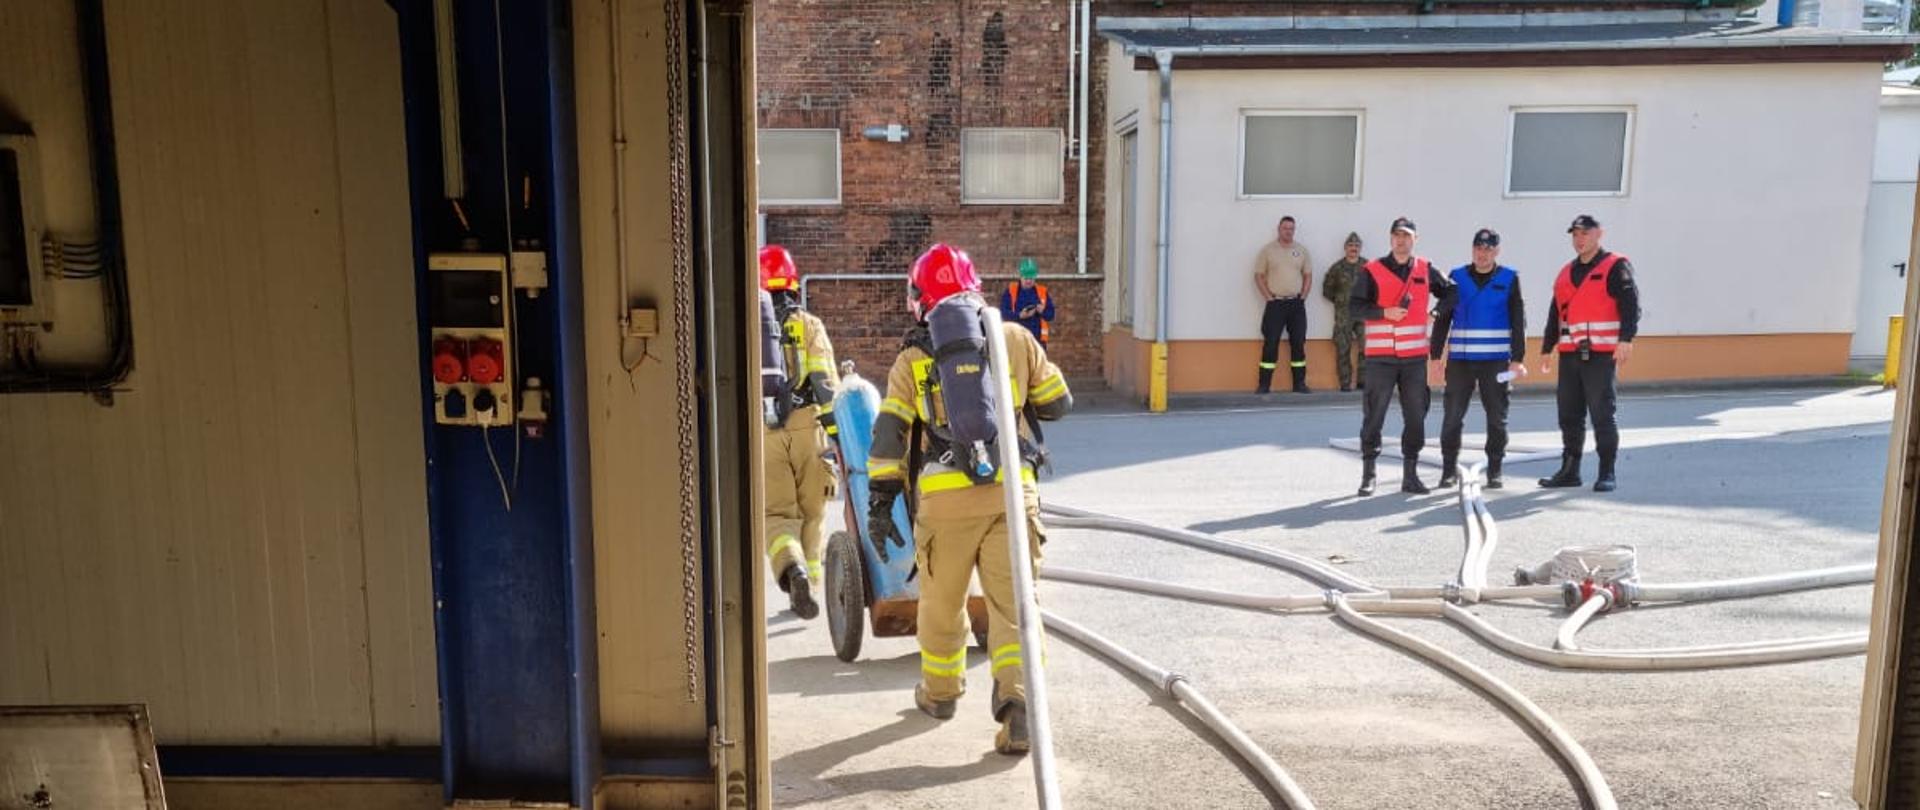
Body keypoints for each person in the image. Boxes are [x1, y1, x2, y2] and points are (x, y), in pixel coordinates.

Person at [866, 244, 1072, 756]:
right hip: (1010, 493)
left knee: (941, 603)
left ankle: (940, 694)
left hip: (944, 504)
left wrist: (878, 504)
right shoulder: (1014, 338)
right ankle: (1018, 708)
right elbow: (1058, 404)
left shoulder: (913, 356)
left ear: (921, 299)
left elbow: (889, 436)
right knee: (1015, 607)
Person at [758, 245, 840, 619]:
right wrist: (836, 434)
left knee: (775, 514)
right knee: (814, 511)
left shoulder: (748, 326)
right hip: (808, 427)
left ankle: (793, 571)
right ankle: (811, 584)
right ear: (793, 282)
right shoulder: (809, 324)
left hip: (766, 431)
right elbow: (825, 382)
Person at [1350, 217, 1455, 496]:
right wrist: (1383, 313)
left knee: (1416, 417)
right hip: (1380, 358)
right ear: (1390, 238)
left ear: (1415, 240)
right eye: (1397, 235)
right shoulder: (1372, 270)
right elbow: (1354, 307)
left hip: (1413, 359)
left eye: (1407, 236)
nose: (1401, 240)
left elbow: (1451, 292)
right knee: (1374, 416)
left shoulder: (1425, 269)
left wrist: (1435, 312)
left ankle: (1411, 475)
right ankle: (1368, 474)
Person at [1538, 215, 1641, 493]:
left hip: (1600, 354)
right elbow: (1555, 313)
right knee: (1569, 414)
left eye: (1585, 233)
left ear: (1599, 234)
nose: (1579, 238)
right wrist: (1547, 348)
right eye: (1575, 234)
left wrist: (1626, 339)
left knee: (1602, 414)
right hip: (1570, 355)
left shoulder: (1615, 266)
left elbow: (1631, 303)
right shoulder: (1565, 273)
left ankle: (1607, 472)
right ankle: (1570, 470)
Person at [1430, 228, 1528, 490]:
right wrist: (1435, 355)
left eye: (1488, 249)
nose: (1482, 254)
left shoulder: (1509, 278)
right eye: (1478, 248)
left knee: (1497, 418)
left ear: (1496, 251)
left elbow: (1519, 321)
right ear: (1472, 249)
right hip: (1460, 361)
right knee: (1452, 417)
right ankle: (1448, 470)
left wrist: (1517, 359)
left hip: (1495, 362)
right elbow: (1443, 318)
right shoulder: (1457, 277)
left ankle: (1495, 470)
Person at [1254, 216, 1313, 393]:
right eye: (1285, 228)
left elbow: (1308, 275)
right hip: (1275, 304)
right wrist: (1268, 297)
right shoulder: (1268, 250)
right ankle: (1264, 385)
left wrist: (1303, 296)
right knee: (1271, 343)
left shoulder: (1301, 250)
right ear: (1279, 229)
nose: (1288, 231)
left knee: (1298, 343)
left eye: (1291, 228)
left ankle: (1299, 384)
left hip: (1296, 305)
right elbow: (1258, 275)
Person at [1321, 232, 1368, 392]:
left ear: (1360, 248)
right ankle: (1345, 383)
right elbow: (1327, 290)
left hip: (1363, 313)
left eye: (1356, 246)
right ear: (1345, 248)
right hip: (1343, 315)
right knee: (1343, 348)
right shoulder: (1337, 268)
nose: (1353, 249)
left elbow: (1375, 288)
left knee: (1367, 347)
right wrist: (1341, 301)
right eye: (1350, 246)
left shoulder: (1368, 267)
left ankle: (1363, 381)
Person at [999, 258, 1055, 347]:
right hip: (1016, 340)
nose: (1029, 281)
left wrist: (1042, 311)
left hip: (1037, 341)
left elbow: (1051, 315)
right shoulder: (1011, 291)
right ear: (1020, 277)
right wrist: (1020, 315)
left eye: (1031, 278)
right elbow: (1003, 313)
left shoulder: (1042, 292)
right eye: (1026, 278)